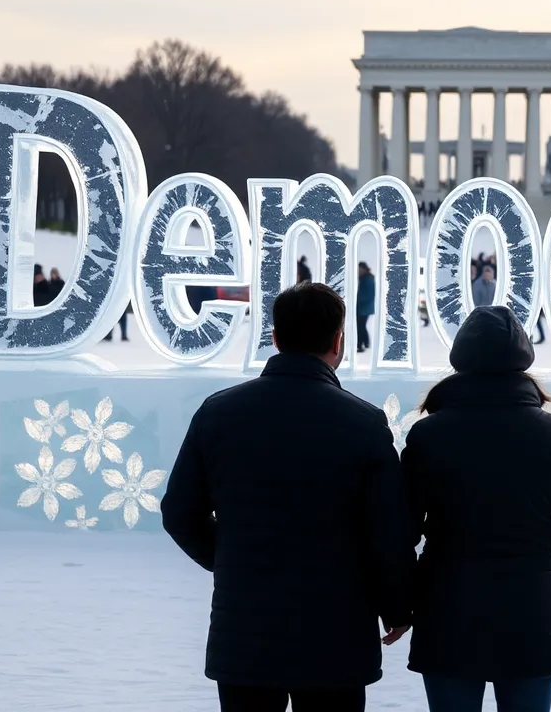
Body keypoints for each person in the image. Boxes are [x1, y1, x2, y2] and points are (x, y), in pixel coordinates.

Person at [163, 283, 415, 712]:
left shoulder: (218, 413)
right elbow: (389, 531)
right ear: (339, 341)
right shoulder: (364, 423)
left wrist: (229, 557)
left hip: (245, 629)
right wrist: (397, 604)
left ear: (276, 338)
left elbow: (179, 513)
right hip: (337, 631)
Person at [402, 306, 551, 712]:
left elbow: (400, 528)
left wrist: (397, 604)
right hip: (533, 609)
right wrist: (543, 530)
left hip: (449, 606)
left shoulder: (429, 434)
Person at [356, 261, 375, 353]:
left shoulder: (367, 279)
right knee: (361, 325)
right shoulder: (365, 278)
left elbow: (368, 294)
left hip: (364, 307)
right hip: (363, 307)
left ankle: (361, 345)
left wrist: (357, 299)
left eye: (359, 269)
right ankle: (365, 343)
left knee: (360, 326)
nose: (358, 271)